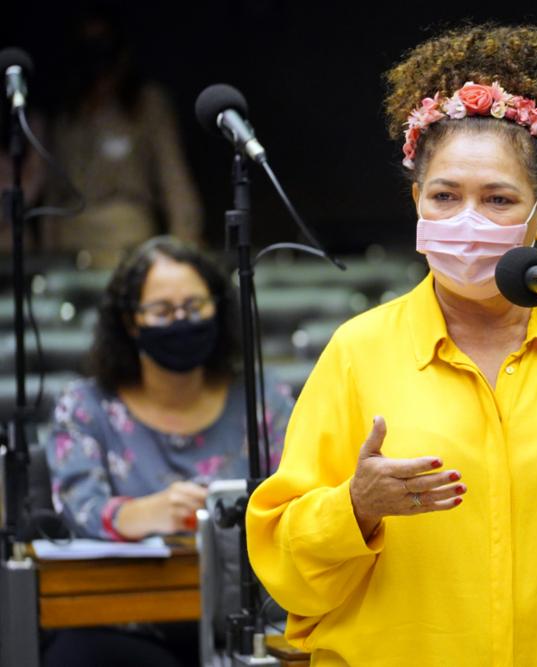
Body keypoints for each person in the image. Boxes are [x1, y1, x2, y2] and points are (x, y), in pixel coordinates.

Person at [246, 23, 537, 666]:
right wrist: (355, 508)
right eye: (444, 196)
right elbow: (285, 575)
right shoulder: (357, 352)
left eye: (497, 199)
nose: (467, 221)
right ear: (416, 202)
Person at [43, 235, 293, 667]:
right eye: (162, 311)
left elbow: (300, 499)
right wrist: (143, 513)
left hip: (254, 617)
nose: (181, 321)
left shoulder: (264, 401)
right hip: (123, 621)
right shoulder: (85, 407)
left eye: (195, 307)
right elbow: (76, 507)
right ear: (130, 322)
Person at [43, 7, 202, 268]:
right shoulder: (67, 114)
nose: (97, 61)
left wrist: (186, 243)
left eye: (104, 47)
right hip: (72, 243)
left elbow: (174, 179)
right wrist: (46, 256)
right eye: (88, 48)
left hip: (126, 235)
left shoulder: (146, 105)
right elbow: (53, 192)